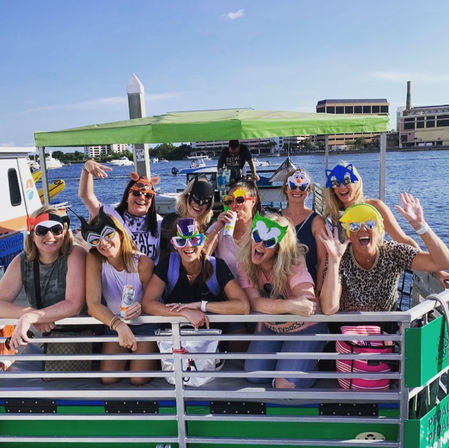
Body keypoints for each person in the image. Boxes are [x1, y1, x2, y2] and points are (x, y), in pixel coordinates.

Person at [237, 213, 328, 389]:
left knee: (284, 384)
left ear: (280, 247)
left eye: (269, 242)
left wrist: (278, 306)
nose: (260, 244)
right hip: (272, 327)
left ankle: (310, 364)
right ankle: (292, 362)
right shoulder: (245, 262)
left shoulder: (293, 261)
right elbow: (254, 302)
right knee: (254, 376)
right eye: (257, 236)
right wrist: (289, 305)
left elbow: (307, 302)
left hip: (305, 328)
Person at [319, 194, 449, 316]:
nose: (363, 229)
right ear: (348, 234)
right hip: (348, 331)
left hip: (386, 332)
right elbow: (328, 308)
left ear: (380, 230)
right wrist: (334, 261)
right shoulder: (339, 258)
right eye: (354, 226)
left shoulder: (393, 253)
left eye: (370, 224)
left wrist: (421, 226)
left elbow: (442, 262)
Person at [323, 161, 449, 287]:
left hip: (377, 279)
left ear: (356, 182)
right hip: (347, 282)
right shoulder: (336, 215)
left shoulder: (375, 207)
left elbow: (403, 240)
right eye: (335, 183)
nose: (341, 187)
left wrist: (437, 272)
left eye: (346, 181)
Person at [83, 207, 157, 385]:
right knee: (108, 378)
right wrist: (119, 326)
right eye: (95, 239)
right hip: (114, 324)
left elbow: (153, 302)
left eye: (108, 235)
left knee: (137, 379)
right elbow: (93, 305)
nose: (103, 243)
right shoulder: (95, 259)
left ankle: (149, 358)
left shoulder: (143, 263)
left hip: (145, 325)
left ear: (121, 234)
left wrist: (142, 307)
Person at [0, 206, 85, 350]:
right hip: (49, 339)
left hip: (83, 336)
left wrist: (32, 317)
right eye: (42, 230)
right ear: (32, 235)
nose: (50, 236)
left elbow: (74, 304)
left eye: (56, 229)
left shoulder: (75, 253)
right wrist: (30, 315)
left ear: (64, 232)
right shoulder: (22, 261)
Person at [142, 218, 249, 329]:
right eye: (181, 241)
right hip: (175, 338)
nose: (188, 245)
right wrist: (185, 312)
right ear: (174, 244)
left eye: (195, 239)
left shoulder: (217, 266)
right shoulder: (168, 264)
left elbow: (243, 306)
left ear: (203, 241)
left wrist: (201, 305)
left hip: (211, 337)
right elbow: (148, 304)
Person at [79, 160, 162, 262]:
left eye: (148, 195)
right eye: (136, 193)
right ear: (127, 197)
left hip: (149, 276)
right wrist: (86, 167)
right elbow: (86, 196)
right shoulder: (112, 216)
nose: (142, 198)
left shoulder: (158, 222)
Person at [281, 169, 327, 292]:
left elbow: (322, 260)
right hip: (280, 286)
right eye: (293, 186)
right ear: (286, 189)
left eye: (302, 187)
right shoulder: (276, 219)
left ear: (308, 191)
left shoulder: (317, 222)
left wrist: (318, 290)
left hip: (307, 287)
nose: (297, 190)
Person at [205, 179, 262, 277]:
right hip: (227, 288)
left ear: (253, 202)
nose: (234, 205)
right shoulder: (219, 228)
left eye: (240, 199)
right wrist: (217, 228)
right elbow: (201, 256)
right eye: (229, 200)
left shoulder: (262, 229)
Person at [159, 176, 214, 260]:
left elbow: (205, 258)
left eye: (205, 200)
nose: (199, 204)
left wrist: (216, 230)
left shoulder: (210, 226)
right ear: (186, 197)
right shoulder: (169, 221)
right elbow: (162, 253)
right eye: (195, 198)